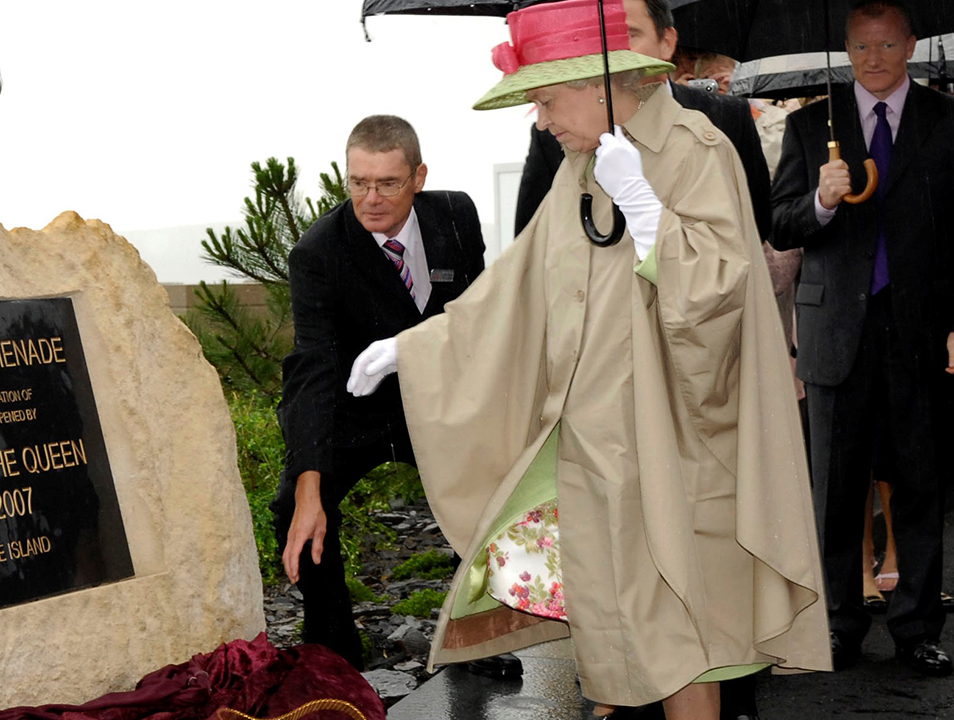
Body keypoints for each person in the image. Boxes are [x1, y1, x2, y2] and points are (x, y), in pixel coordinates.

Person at [347, 1, 830, 718]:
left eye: (544, 99)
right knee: (623, 637)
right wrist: (411, 348)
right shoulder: (580, 164)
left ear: (597, 84)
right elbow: (520, 284)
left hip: (675, 449)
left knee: (682, 639)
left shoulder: (694, 149)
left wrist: (647, 211)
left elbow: (721, 298)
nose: (540, 120)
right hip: (597, 450)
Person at [770, 0, 954, 678]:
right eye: (860, 48)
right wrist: (820, 199)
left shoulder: (944, 121)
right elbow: (783, 223)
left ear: (910, 45)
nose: (873, 60)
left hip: (920, 329)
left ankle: (915, 627)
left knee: (920, 483)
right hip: (833, 330)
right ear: (846, 50)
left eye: (885, 45)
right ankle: (837, 623)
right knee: (834, 489)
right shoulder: (809, 124)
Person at [271, 115, 485, 670]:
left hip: (439, 400)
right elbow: (312, 366)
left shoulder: (456, 217)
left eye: (387, 183)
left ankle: (482, 630)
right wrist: (309, 483)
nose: (371, 198)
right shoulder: (317, 253)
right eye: (357, 182)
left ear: (418, 176)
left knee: (490, 485)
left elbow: (480, 316)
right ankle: (333, 649)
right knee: (293, 503)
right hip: (356, 409)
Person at [512, 0, 771, 245]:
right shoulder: (555, 133)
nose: (613, 52)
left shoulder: (724, 117)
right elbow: (531, 236)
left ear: (666, 42)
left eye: (627, 35)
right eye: (602, 39)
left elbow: (754, 223)